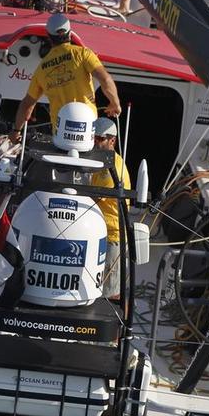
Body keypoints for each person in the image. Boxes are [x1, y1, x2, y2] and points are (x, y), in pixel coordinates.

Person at [11, 13, 121, 140]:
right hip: (87, 133)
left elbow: (27, 105)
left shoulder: (41, 69)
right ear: (69, 33)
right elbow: (105, 79)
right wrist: (115, 103)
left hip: (60, 135)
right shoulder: (83, 54)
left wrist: (16, 131)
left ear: (49, 38)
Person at [89, 117, 132, 300]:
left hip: (112, 237)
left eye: (99, 139)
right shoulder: (103, 161)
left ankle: (121, 327)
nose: (95, 142)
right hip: (100, 231)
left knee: (112, 292)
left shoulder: (112, 170)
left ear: (112, 140)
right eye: (93, 138)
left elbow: (91, 198)